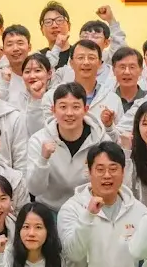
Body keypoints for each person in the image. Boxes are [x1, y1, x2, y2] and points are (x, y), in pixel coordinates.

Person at [24, 83, 109, 211]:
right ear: (53, 110)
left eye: (76, 107)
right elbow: (35, 190)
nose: (69, 113)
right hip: (49, 210)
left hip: (89, 209)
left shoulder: (101, 141)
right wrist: (43, 160)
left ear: (86, 109)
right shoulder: (39, 140)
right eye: (63, 107)